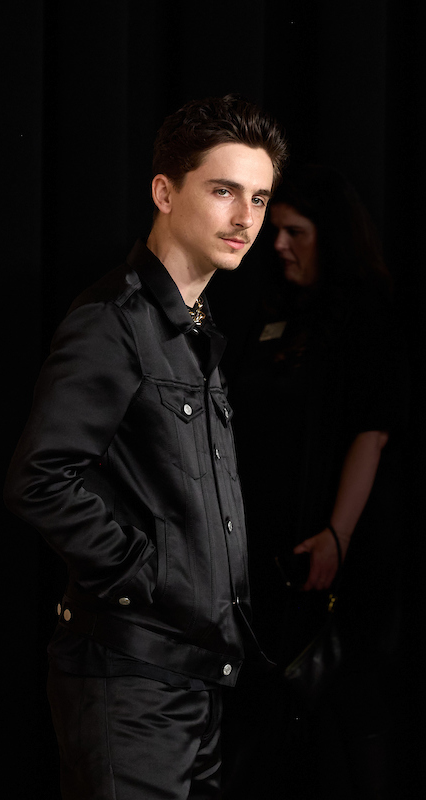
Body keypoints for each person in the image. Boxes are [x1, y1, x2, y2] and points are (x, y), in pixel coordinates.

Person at [3, 94, 287, 800]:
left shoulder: (195, 329)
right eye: (223, 191)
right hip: (130, 684)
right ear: (164, 192)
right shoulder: (112, 322)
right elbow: (39, 477)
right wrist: (146, 575)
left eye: (258, 198)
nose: (245, 218)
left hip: (197, 680)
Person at [220, 165, 398, 800]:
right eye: (277, 230)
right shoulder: (277, 312)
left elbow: (372, 433)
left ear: (332, 237)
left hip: (339, 553)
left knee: (348, 706)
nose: (278, 244)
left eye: (295, 232)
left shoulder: (368, 314)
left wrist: (337, 536)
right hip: (271, 551)